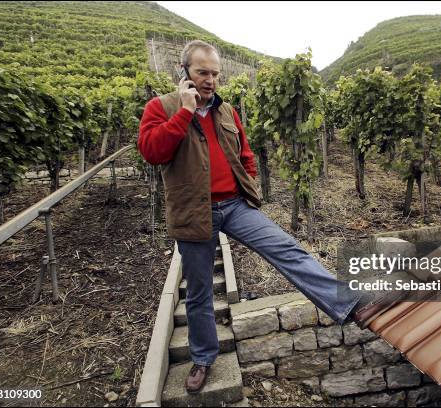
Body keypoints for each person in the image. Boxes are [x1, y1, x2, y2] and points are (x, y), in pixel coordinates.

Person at [137, 40, 390, 393]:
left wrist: (248, 175)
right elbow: (152, 152)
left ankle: (349, 305)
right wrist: (184, 112)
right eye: (201, 73)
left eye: (214, 73)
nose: (210, 80)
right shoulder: (160, 107)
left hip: (235, 205)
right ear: (184, 73)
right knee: (198, 292)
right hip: (194, 213)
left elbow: (243, 150)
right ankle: (204, 358)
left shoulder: (227, 111)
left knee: (288, 249)